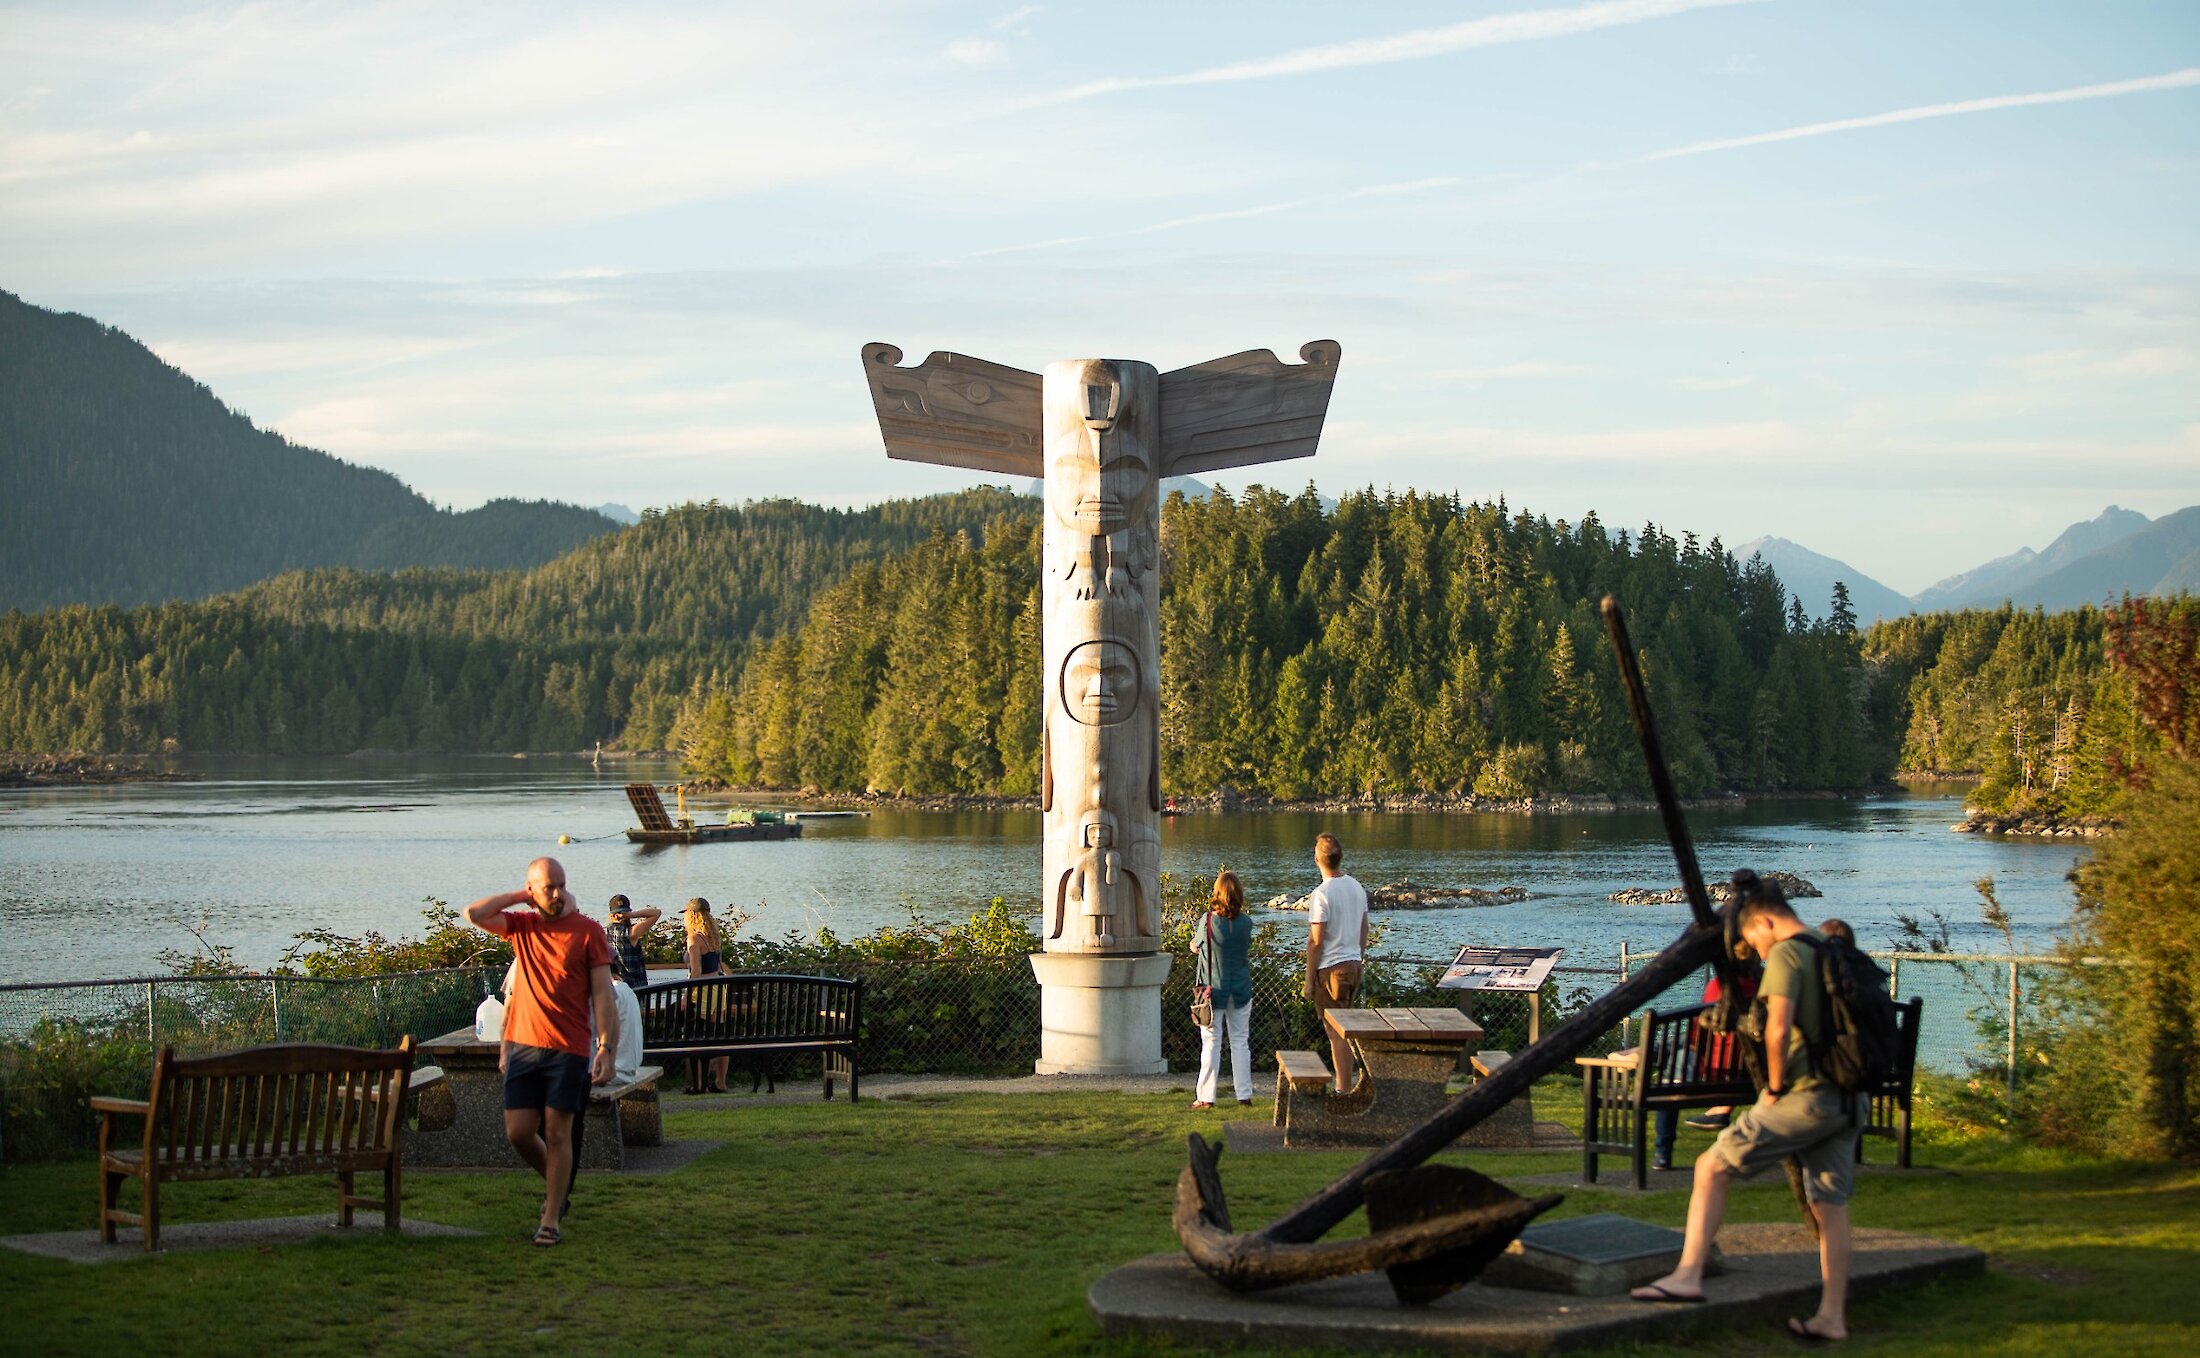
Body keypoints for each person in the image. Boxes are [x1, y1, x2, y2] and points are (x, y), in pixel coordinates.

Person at [1632, 876, 1858, 1344]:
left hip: (1807, 1096)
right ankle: (1832, 1316)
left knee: (1711, 1167)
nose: (1752, 948)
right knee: (1829, 1206)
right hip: (1849, 1096)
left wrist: (1773, 1089)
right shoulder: (1832, 946)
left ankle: (1688, 1276)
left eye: (1752, 937)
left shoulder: (1788, 953)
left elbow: (1776, 1029)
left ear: (1767, 920)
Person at [466, 856, 616, 1248]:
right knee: (518, 1133)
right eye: (548, 887)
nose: (557, 893)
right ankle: (557, 1184)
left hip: (568, 1049)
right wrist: (522, 897)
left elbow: (603, 994)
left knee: (558, 1132)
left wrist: (606, 1047)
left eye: (561, 885)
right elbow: (474, 913)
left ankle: (550, 1217)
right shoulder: (523, 928)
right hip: (523, 1049)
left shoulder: (588, 932)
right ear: (533, 890)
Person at [1654, 960, 1763, 1170]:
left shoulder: (1718, 987)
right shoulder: (1767, 987)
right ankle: (1651, 1051)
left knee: (1675, 1064)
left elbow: (1698, 1037)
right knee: (1678, 1049)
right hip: (1752, 1074)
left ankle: (1662, 1153)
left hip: (1713, 1073)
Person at [1303, 832, 1369, 1094]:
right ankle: (1345, 1083)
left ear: (1317, 858)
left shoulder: (1322, 894)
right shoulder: (1355, 886)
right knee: (1343, 1029)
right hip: (1353, 963)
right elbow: (1364, 927)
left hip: (1331, 970)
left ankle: (1343, 1089)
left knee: (1336, 1032)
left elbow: (1316, 941)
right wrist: (1358, 956)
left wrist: (1309, 979)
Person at [1192, 870, 1256, 1110]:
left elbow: (1197, 946)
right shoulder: (1246, 923)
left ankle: (1206, 1096)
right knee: (1240, 1042)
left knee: (1211, 1043)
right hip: (1240, 988)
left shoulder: (1208, 921)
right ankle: (1244, 1094)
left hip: (1212, 992)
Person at [683, 897, 729, 1095]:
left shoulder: (694, 939)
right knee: (715, 1035)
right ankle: (719, 1082)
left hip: (702, 991)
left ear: (691, 916)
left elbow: (696, 972)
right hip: (719, 989)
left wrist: (686, 994)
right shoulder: (714, 938)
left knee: (696, 1038)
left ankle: (699, 1085)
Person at [605, 894, 661, 991]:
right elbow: (656, 913)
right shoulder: (631, 933)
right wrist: (631, 914)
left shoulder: (605, 932)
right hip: (636, 987)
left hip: (615, 987)